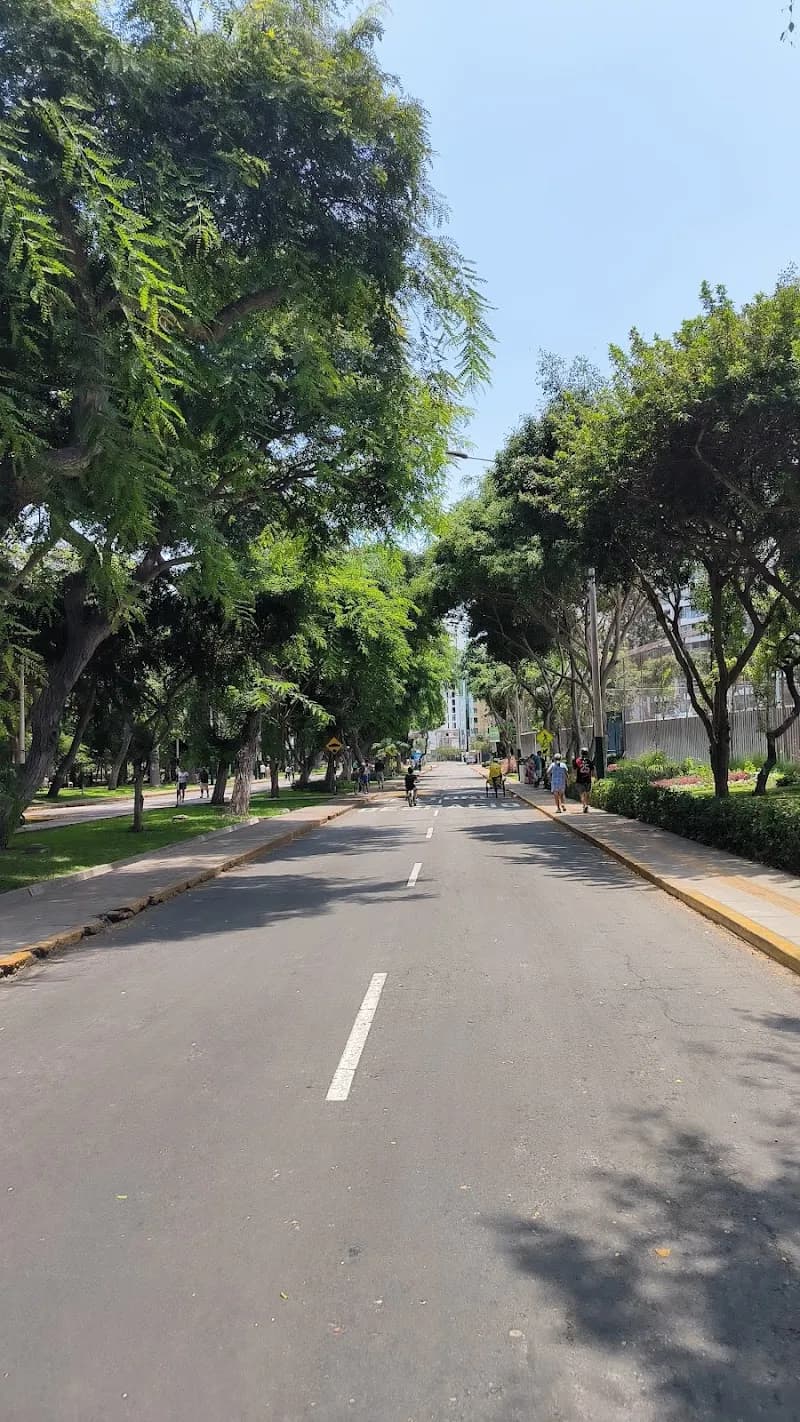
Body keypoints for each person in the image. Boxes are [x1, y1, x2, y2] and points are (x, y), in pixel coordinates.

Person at [573, 746, 594, 813]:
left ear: (581, 753)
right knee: (587, 794)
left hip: (579, 780)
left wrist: (573, 777)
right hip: (588, 779)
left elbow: (575, 770)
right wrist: (593, 777)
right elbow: (593, 770)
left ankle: (584, 805)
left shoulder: (578, 761)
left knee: (581, 794)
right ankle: (586, 805)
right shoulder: (589, 761)